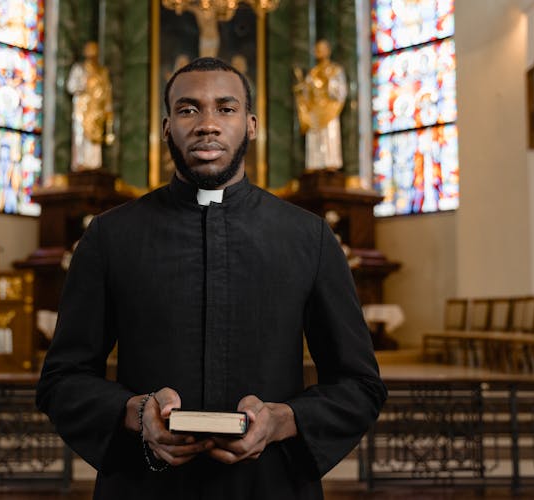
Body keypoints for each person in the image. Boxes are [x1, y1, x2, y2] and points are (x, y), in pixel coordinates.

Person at [36, 57, 386, 500]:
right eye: (188, 109)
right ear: (166, 127)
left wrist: (283, 421)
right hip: (146, 487)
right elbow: (61, 380)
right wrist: (135, 412)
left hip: (270, 486)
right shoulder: (110, 236)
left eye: (225, 108)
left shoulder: (308, 237)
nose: (207, 124)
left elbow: (360, 384)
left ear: (252, 125)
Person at [293, 39, 348, 170]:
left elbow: (341, 91)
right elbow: (306, 93)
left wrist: (329, 83)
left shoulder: (335, 70)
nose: (319, 52)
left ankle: (331, 164)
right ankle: (315, 164)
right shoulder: (312, 73)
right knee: (314, 137)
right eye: (317, 49)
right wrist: (301, 91)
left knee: (330, 135)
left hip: (330, 109)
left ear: (328, 51)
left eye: (322, 49)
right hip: (315, 111)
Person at [66, 41, 114, 171]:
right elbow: (71, 86)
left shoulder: (102, 72)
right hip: (82, 109)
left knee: (96, 138)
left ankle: (94, 164)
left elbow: (107, 91)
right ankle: (81, 163)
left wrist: (107, 109)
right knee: (81, 136)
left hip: (96, 110)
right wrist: (83, 83)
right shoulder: (79, 69)